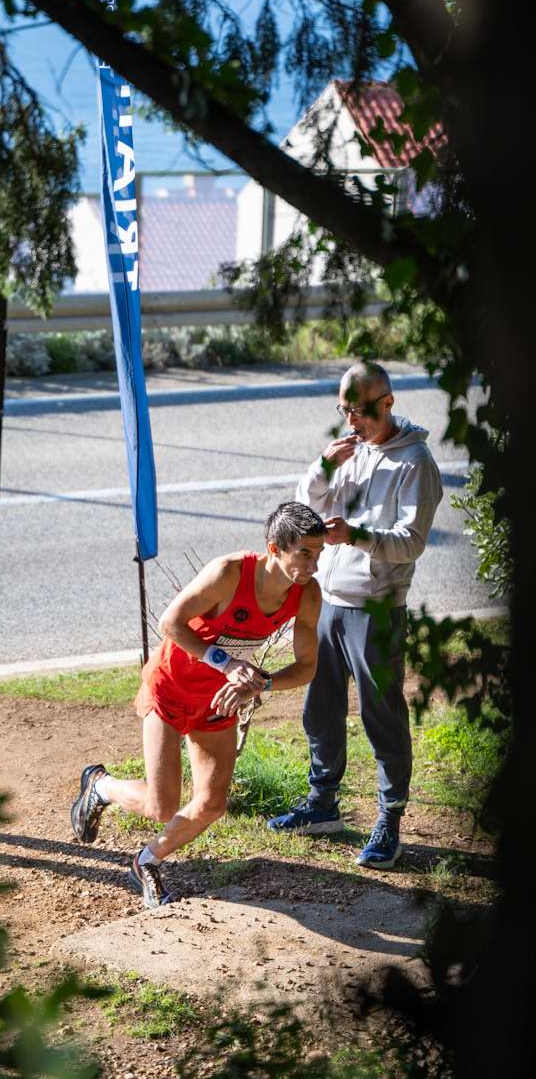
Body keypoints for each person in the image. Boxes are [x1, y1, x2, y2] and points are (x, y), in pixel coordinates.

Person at [70, 502, 327, 908]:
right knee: (161, 805)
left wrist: (259, 684)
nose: (313, 565)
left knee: (211, 804)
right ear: (274, 549)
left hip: (218, 699)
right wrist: (226, 663)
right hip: (171, 687)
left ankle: (145, 861)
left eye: (319, 553)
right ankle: (100, 786)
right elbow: (170, 623)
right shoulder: (229, 573)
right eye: (305, 554)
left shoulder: (307, 594)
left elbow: (307, 667)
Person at [267, 362, 443, 869]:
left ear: (387, 403)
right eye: (344, 410)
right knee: (319, 708)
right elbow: (306, 509)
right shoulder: (351, 450)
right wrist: (323, 467)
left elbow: (412, 542)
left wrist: (357, 536)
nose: (351, 421)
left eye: (359, 411)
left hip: (377, 608)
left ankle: (390, 820)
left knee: (380, 715)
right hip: (329, 599)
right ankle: (322, 805)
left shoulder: (415, 462)